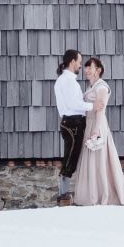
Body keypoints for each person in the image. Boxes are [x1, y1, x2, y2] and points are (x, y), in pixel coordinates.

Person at [70, 56, 124, 208]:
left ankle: (100, 195)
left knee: (98, 160)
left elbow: (100, 110)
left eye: (90, 67)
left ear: (98, 70)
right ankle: (90, 194)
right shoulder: (91, 87)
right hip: (89, 123)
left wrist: (96, 131)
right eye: (85, 67)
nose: (86, 70)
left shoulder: (101, 87)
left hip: (97, 124)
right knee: (90, 160)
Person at [52, 48, 91, 206]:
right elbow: (73, 104)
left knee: (71, 158)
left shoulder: (66, 80)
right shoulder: (67, 81)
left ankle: (64, 195)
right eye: (80, 62)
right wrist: (93, 106)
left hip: (71, 122)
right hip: (72, 123)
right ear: (72, 62)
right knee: (70, 159)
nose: (81, 65)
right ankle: (64, 196)